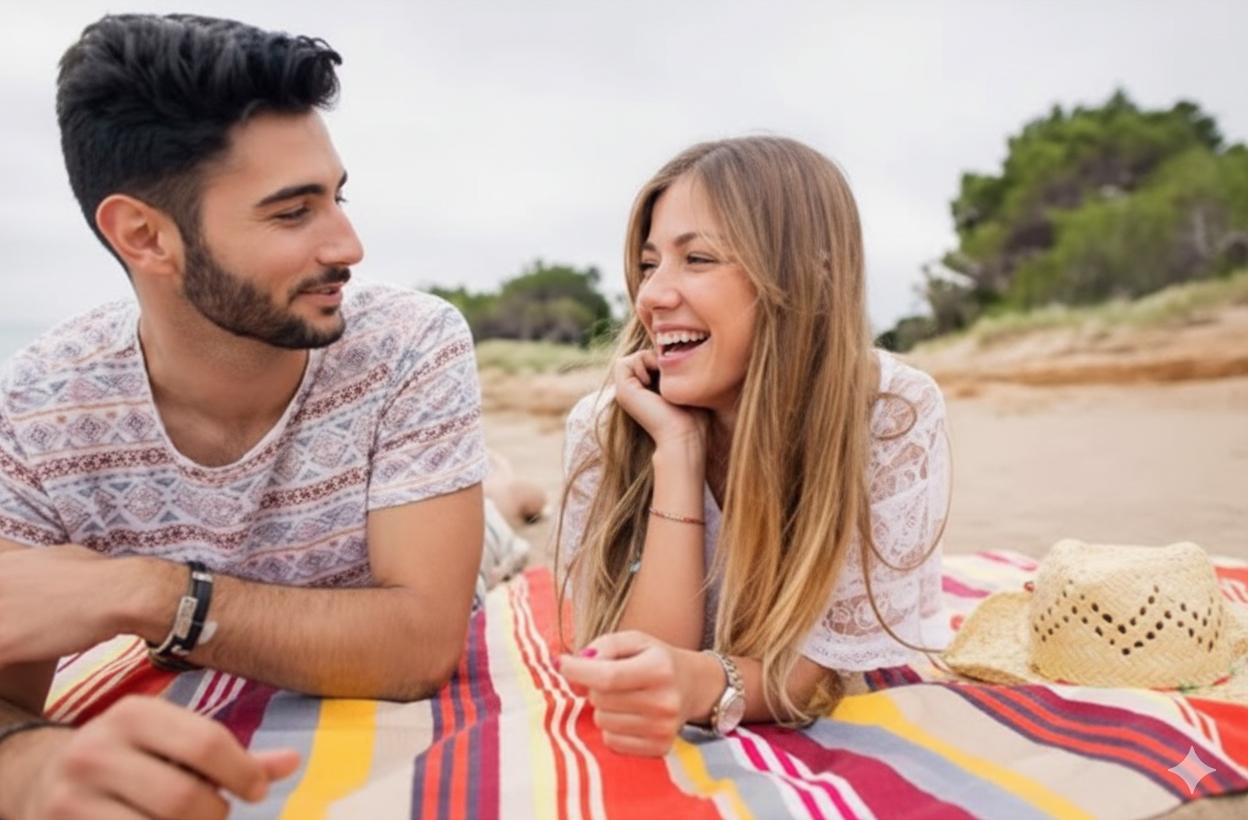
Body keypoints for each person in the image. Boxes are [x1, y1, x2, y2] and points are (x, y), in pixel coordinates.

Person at [0, 14, 491, 817]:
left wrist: (147, 592)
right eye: (293, 213)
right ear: (144, 236)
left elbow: (419, 645)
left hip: (418, 519)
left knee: (497, 535)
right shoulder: (41, 405)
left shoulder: (411, 342)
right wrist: (33, 767)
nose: (350, 245)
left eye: (336, 197)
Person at [556, 137, 952, 757]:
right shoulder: (608, 425)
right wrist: (678, 454)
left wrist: (693, 680)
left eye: (700, 259)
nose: (652, 296)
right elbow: (638, 671)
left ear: (808, 275)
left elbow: (817, 674)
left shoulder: (888, 412)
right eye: (650, 262)